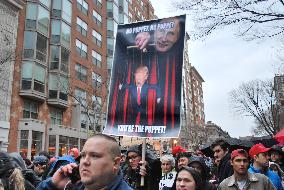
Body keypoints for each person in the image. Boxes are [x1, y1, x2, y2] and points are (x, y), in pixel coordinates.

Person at [37, 134, 132, 190]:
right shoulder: (71, 186)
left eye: (94, 156)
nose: (85, 162)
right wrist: (52, 184)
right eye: (83, 155)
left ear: (115, 163)